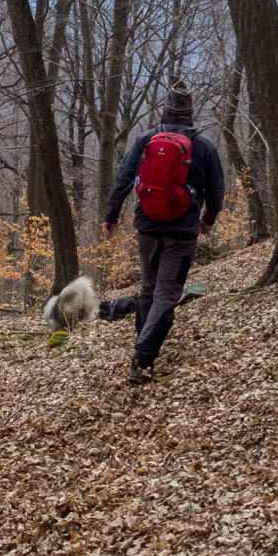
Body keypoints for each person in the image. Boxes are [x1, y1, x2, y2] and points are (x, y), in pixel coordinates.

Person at [103, 83, 225, 384]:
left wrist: (111, 217)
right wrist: (208, 219)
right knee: (167, 293)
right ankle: (143, 355)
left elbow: (123, 178)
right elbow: (217, 191)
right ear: (190, 112)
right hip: (182, 232)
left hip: (146, 227)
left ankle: (141, 347)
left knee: (149, 288)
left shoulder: (146, 140)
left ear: (165, 109)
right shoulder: (205, 146)